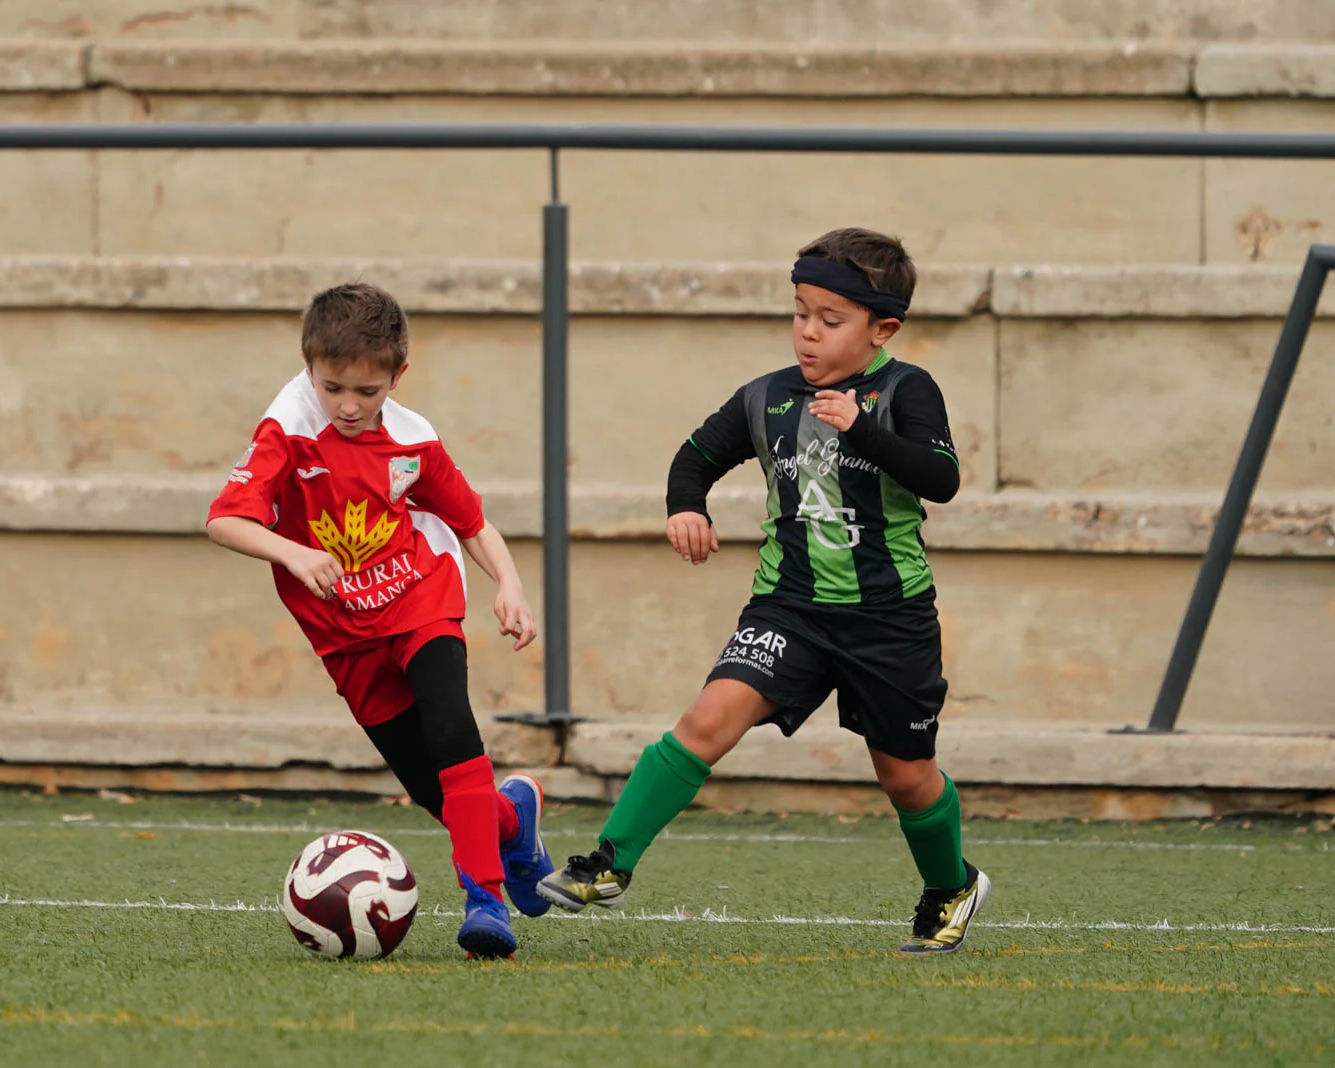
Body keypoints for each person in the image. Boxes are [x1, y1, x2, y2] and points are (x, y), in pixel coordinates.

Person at [537, 228, 990, 955]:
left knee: (906, 779)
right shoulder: (768, 397)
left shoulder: (908, 391)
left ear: (883, 329)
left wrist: (866, 431)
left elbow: (942, 479)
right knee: (706, 720)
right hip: (789, 607)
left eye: (830, 320)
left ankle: (951, 886)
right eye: (800, 313)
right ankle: (609, 863)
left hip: (889, 618)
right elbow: (697, 455)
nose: (808, 333)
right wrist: (687, 506)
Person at [207, 282, 553, 959]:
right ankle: (514, 819)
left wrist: (508, 584)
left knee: (452, 725)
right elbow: (223, 519)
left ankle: (486, 901)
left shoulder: (411, 439)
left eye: (368, 392)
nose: (348, 405)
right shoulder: (288, 428)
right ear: (310, 365)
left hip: (419, 594)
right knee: (431, 787)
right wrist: (292, 551)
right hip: (344, 635)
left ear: (399, 374)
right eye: (333, 386)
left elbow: (471, 522)